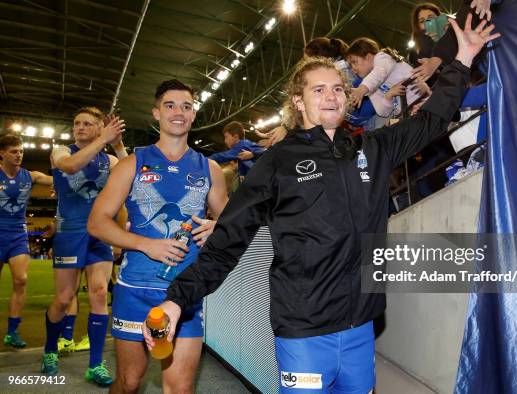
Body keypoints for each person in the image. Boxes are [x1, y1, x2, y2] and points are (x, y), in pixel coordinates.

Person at [152, 16, 499, 393]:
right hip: (304, 333)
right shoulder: (277, 163)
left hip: (361, 328)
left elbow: (431, 121)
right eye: (318, 91)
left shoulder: (373, 149)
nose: (331, 96)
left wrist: (463, 60)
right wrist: (177, 301)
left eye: (337, 88)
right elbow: (228, 241)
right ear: (298, 102)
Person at [87, 79, 228, 394]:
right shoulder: (131, 164)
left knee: (179, 388)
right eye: (170, 105)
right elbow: (97, 223)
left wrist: (217, 227)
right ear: (156, 113)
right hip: (136, 290)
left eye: (186, 107)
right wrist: (145, 244)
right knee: (129, 382)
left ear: (193, 116)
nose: (178, 112)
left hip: (185, 294)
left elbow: (232, 223)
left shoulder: (210, 169)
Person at [40, 107, 127, 387]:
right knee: (65, 298)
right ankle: (50, 350)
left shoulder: (110, 160)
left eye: (87, 124)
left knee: (101, 293)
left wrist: (118, 144)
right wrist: (103, 140)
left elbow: (134, 176)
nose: (79, 127)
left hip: (99, 234)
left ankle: (95, 364)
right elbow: (70, 167)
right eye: (76, 123)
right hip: (69, 232)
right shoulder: (59, 151)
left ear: (99, 127)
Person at [0, 133, 53, 348]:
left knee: (21, 280)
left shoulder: (30, 176)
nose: (18, 155)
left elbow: (59, 178)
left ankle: (13, 331)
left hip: (17, 234)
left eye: (21, 151)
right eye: (14, 151)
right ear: (2, 153)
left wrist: (59, 183)